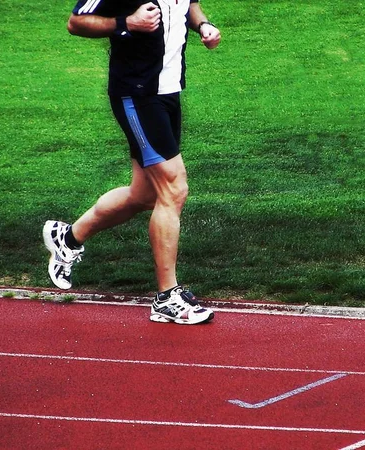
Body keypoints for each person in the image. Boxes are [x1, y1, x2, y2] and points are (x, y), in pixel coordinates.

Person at [43, 0, 221, 325]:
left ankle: (67, 238)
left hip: (168, 92)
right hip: (136, 94)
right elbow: (76, 22)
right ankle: (167, 297)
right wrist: (127, 22)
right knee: (174, 189)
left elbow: (190, 4)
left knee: (144, 194)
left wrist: (203, 26)